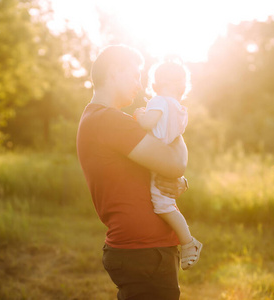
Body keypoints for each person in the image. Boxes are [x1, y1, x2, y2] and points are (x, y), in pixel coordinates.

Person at [76, 45, 190, 300]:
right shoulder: (111, 121)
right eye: (135, 75)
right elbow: (174, 164)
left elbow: (160, 169)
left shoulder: (103, 119)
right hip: (144, 252)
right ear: (115, 71)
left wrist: (180, 181)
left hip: (141, 250)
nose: (140, 84)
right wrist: (178, 135)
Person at [134, 60, 202, 270]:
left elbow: (146, 124)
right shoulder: (181, 110)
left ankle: (189, 243)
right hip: (168, 158)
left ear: (155, 86)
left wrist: (139, 114)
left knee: (163, 205)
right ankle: (187, 241)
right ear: (182, 87)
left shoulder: (158, 101)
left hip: (156, 159)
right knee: (167, 204)